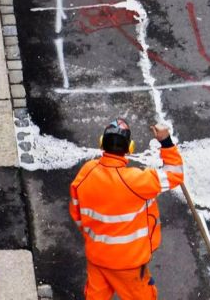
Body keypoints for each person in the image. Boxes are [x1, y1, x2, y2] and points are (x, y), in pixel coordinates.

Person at [69, 118, 184, 299]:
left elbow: (76, 213)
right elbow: (175, 174)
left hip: (97, 257)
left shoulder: (86, 172)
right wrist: (166, 141)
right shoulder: (136, 181)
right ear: (129, 148)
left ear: (101, 144)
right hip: (129, 265)